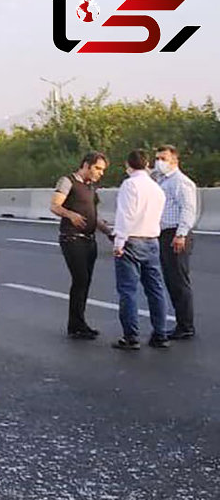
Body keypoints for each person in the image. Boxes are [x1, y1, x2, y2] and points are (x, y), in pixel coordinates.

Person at [50, 152, 113, 339]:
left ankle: (79, 323)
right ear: (86, 165)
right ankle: (76, 324)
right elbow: (55, 206)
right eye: (98, 168)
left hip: (89, 239)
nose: (100, 173)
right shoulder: (68, 181)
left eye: (102, 170)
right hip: (72, 238)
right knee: (80, 279)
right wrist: (71, 215)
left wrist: (109, 232)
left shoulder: (91, 187)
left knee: (84, 282)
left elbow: (94, 214)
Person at [112, 150, 171, 350]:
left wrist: (119, 242)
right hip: (152, 240)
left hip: (131, 240)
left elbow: (125, 216)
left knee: (128, 290)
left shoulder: (129, 185)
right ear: (147, 164)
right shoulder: (157, 189)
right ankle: (160, 333)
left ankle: (131, 336)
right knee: (155, 289)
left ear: (128, 165)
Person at [154, 144, 198, 340]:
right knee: (171, 280)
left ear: (175, 161)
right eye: (158, 158)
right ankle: (181, 322)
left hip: (176, 233)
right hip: (164, 234)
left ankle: (186, 325)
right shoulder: (163, 181)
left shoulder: (181, 182)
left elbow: (188, 209)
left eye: (163, 158)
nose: (159, 162)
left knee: (179, 281)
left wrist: (180, 234)